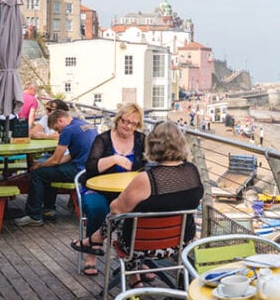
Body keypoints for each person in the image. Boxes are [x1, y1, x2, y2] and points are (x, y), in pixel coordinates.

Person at [71, 121, 203, 286]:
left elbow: (116, 209)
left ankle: (96, 241)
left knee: (120, 215)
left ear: (153, 145)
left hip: (140, 246)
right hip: (179, 244)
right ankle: (133, 275)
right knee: (134, 217)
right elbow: (195, 201)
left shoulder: (147, 179)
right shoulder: (192, 171)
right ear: (182, 143)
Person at [69, 103, 146, 276]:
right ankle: (91, 256)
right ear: (117, 120)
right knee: (98, 208)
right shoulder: (103, 139)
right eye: (125, 121)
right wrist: (114, 159)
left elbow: (148, 166)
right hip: (98, 189)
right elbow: (90, 167)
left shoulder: (141, 140)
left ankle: (136, 259)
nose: (128, 126)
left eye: (133, 123)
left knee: (141, 209)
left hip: (126, 191)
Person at [14, 110, 97, 227]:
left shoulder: (68, 130)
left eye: (57, 128)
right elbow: (71, 155)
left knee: (38, 174)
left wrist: (39, 165)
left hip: (79, 171)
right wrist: (48, 164)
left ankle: (34, 215)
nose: (58, 132)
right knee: (48, 170)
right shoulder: (83, 124)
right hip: (90, 169)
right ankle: (48, 209)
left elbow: (55, 160)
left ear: (60, 120)